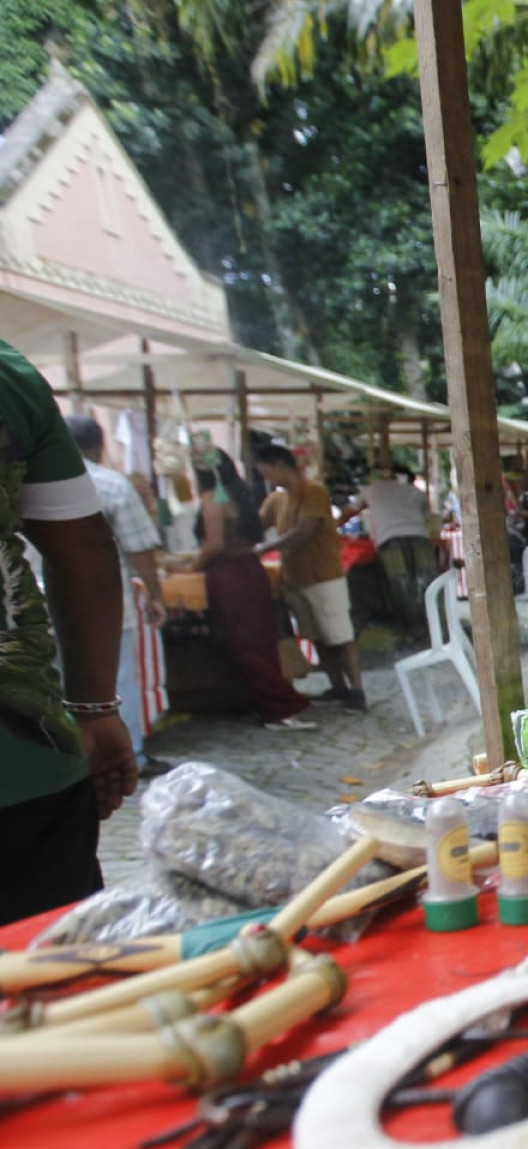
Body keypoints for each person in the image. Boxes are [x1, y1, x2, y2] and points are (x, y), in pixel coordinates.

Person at [1, 340, 137, 923]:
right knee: (54, 995)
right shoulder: (10, 374)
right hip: (24, 771)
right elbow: (82, 551)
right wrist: (95, 708)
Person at [66, 414, 173, 779]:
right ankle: (130, 758)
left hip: (35, 606)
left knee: (54, 679)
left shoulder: (25, 483)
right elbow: (139, 547)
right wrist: (155, 596)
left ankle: (67, 759)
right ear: (99, 446)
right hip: (105, 604)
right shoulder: (112, 486)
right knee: (116, 681)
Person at [182, 443, 316, 732]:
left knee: (247, 645)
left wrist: (192, 568)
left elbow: (214, 544)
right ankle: (269, 703)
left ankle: (278, 707)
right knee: (259, 641)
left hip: (230, 575)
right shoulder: (240, 493)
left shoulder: (212, 498)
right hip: (249, 571)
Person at [255, 444, 365, 711]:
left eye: (267, 473)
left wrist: (265, 548)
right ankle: (338, 687)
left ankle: (357, 691)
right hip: (295, 578)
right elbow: (257, 523)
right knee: (317, 637)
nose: (267, 479)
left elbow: (304, 532)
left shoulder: (312, 491)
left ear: (280, 466)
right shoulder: (278, 499)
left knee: (340, 636)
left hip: (324, 576)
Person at [347, 464, 436, 640]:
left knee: (399, 585)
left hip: (390, 541)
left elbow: (348, 513)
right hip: (419, 538)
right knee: (427, 582)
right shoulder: (415, 492)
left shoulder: (371, 490)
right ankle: (434, 629)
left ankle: (411, 631)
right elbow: (427, 517)